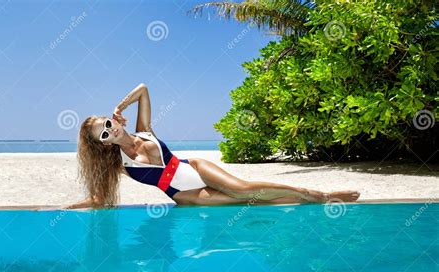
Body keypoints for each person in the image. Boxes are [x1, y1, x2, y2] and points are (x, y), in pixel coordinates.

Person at [66, 83, 360, 209]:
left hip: (194, 167)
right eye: (103, 134)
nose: (109, 130)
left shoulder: (145, 131)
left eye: (107, 123)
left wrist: (119, 105)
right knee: (249, 201)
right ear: (103, 146)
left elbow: (143, 89)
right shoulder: (120, 164)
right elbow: (99, 199)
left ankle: (319, 194)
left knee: (244, 189)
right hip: (186, 194)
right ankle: (308, 203)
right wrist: (65, 206)